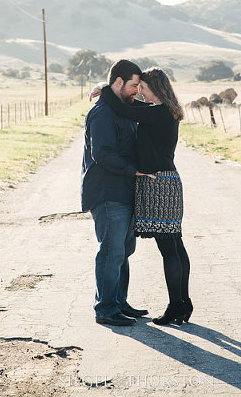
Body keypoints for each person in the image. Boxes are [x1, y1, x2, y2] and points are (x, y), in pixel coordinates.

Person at [92, 67, 192, 325]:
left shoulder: (156, 112)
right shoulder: (163, 110)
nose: (139, 93)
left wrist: (104, 89)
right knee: (175, 246)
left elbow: (126, 109)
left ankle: (175, 306)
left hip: (158, 184)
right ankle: (183, 303)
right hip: (167, 180)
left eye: (143, 89)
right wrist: (109, 91)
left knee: (169, 248)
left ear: (155, 89)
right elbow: (132, 107)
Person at [82, 59, 149, 326]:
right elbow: (102, 154)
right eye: (134, 85)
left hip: (124, 191)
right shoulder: (103, 113)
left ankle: (119, 303)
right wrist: (134, 170)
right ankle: (106, 309)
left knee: (123, 250)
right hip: (108, 192)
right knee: (111, 252)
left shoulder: (122, 107)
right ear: (119, 82)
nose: (137, 91)